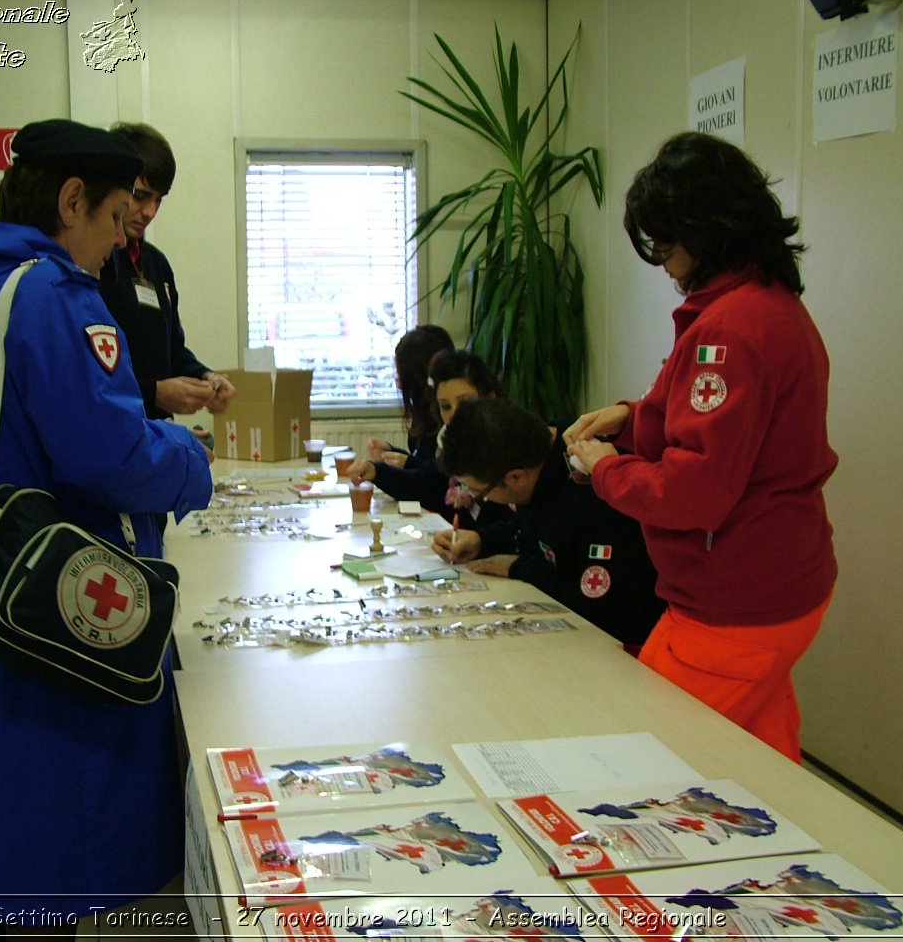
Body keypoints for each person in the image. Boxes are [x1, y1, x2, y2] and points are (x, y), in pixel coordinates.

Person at [0, 119, 212, 937]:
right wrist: (188, 463)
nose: (120, 242)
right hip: (46, 586)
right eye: (117, 217)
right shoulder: (49, 292)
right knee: (48, 825)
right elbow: (107, 450)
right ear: (71, 200)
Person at [565, 132, 837, 762]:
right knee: (761, 765)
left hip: (736, 601)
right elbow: (721, 425)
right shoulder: (763, 304)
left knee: (652, 763)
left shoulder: (731, 331)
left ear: (704, 231)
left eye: (665, 242)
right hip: (775, 584)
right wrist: (630, 419)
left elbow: (695, 491)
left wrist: (607, 468)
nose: (662, 261)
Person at [431, 399, 662, 650]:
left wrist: (520, 568)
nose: (482, 498)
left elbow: (600, 604)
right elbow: (531, 524)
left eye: (479, 491)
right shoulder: (543, 447)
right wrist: (482, 540)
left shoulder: (594, 494)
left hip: (628, 643)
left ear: (516, 476)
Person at [98, 122, 235, 420]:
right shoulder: (92, 263)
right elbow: (87, 376)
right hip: (111, 432)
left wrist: (205, 377)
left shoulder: (157, 265)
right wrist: (154, 392)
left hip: (155, 439)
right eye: (141, 195)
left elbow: (172, 352)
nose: (150, 212)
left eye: (159, 199)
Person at [348, 347, 507, 528]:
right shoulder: (452, 446)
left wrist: (479, 541)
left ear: (490, 398)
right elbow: (427, 483)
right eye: (446, 406)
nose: (455, 414)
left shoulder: (505, 449)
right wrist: (376, 471)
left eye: (465, 402)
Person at [348, 325, 453, 505]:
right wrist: (394, 454)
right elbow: (426, 466)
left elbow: (428, 485)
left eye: (401, 374)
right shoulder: (425, 412)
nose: (398, 382)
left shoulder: (447, 419)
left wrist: (378, 471)